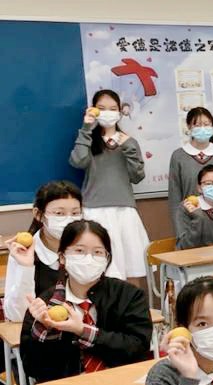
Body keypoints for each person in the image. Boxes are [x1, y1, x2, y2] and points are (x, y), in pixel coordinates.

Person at [20, 220, 151, 385]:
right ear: (62, 257)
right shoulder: (45, 304)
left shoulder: (129, 295)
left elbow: (137, 346)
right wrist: (44, 330)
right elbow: (35, 369)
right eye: (79, 251)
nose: (89, 259)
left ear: (107, 259)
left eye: (98, 252)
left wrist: (83, 331)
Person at [4, 181, 125, 322]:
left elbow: (119, 298)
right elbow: (17, 316)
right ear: (38, 214)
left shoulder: (94, 247)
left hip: (89, 329)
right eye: (59, 213)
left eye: (75, 213)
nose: (68, 219)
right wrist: (26, 267)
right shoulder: (23, 252)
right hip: (42, 330)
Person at [69, 89, 149, 284]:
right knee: (98, 267)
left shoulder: (129, 141)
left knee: (132, 266)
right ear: (93, 110)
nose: (108, 112)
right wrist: (86, 128)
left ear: (120, 112)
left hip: (124, 211)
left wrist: (128, 147)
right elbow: (77, 161)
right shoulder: (89, 140)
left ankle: (132, 303)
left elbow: (137, 176)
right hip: (95, 210)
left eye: (113, 108)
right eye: (102, 108)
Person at [167, 106, 213, 238]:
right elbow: (175, 194)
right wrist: (179, 228)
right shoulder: (178, 156)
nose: (202, 128)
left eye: (206, 124)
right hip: (190, 218)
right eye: (197, 125)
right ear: (189, 126)